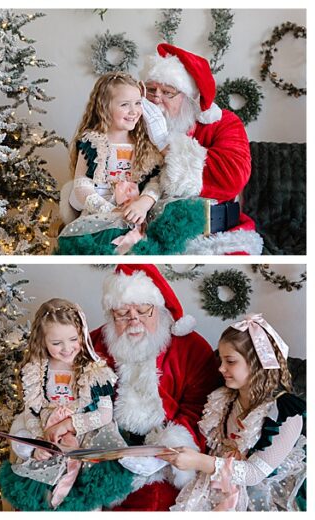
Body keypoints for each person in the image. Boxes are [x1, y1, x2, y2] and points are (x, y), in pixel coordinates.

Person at [88, 264, 224, 510]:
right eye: (122, 314)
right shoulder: (94, 344)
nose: (134, 321)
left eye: (142, 310)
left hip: (166, 457)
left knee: (151, 502)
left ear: (159, 310)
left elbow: (201, 409)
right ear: (111, 316)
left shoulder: (191, 348)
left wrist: (165, 450)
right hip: (110, 449)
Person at [0, 298, 134, 510]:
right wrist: (41, 442)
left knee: (84, 497)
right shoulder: (36, 370)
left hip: (86, 437)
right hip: (48, 435)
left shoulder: (93, 369)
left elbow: (105, 414)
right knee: (44, 495)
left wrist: (69, 425)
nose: (66, 348)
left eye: (73, 339)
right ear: (42, 340)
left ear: (81, 334)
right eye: (56, 343)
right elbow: (31, 412)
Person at [162, 316, 305, 511]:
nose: (221, 368)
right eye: (221, 360)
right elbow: (215, 448)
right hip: (214, 484)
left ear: (257, 363)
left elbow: (254, 474)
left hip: (257, 494)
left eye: (230, 361)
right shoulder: (224, 400)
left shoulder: (285, 413)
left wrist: (197, 461)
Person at [138, 43, 262, 255]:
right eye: (150, 90)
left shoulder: (223, 123)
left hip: (214, 235)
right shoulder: (133, 123)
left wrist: (166, 144)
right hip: (148, 232)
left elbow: (231, 178)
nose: (156, 98)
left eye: (167, 92)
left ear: (187, 97)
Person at [57, 72, 164, 255]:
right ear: (104, 107)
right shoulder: (93, 142)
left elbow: (156, 181)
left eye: (138, 103)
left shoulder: (145, 144)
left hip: (137, 213)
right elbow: (82, 185)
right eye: (125, 105)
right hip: (101, 215)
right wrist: (110, 210)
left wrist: (144, 204)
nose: (134, 111)